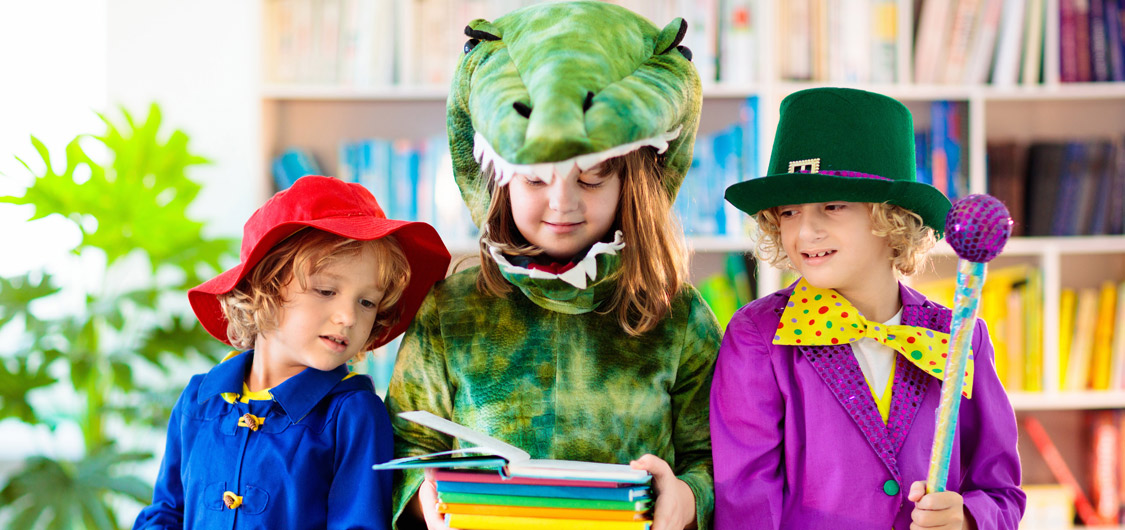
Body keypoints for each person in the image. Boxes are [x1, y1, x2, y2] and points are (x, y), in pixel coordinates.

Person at [384, 2, 720, 529]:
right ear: (499, 178)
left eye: (591, 178)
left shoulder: (678, 315)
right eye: (536, 179)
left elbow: (712, 458)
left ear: (630, 180)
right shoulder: (450, 309)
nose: (563, 204)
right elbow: (409, 443)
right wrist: (425, 500)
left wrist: (688, 497)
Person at [710, 87, 1026, 529]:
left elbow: (1002, 493)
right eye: (789, 212)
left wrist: (970, 518)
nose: (805, 232)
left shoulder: (961, 337)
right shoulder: (758, 337)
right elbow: (746, 506)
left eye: (833, 206)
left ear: (891, 217)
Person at [133, 175, 451, 529]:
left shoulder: (355, 414)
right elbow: (165, 512)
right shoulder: (198, 399)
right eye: (326, 291)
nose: (348, 317)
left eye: (367, 302)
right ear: (263, 289)